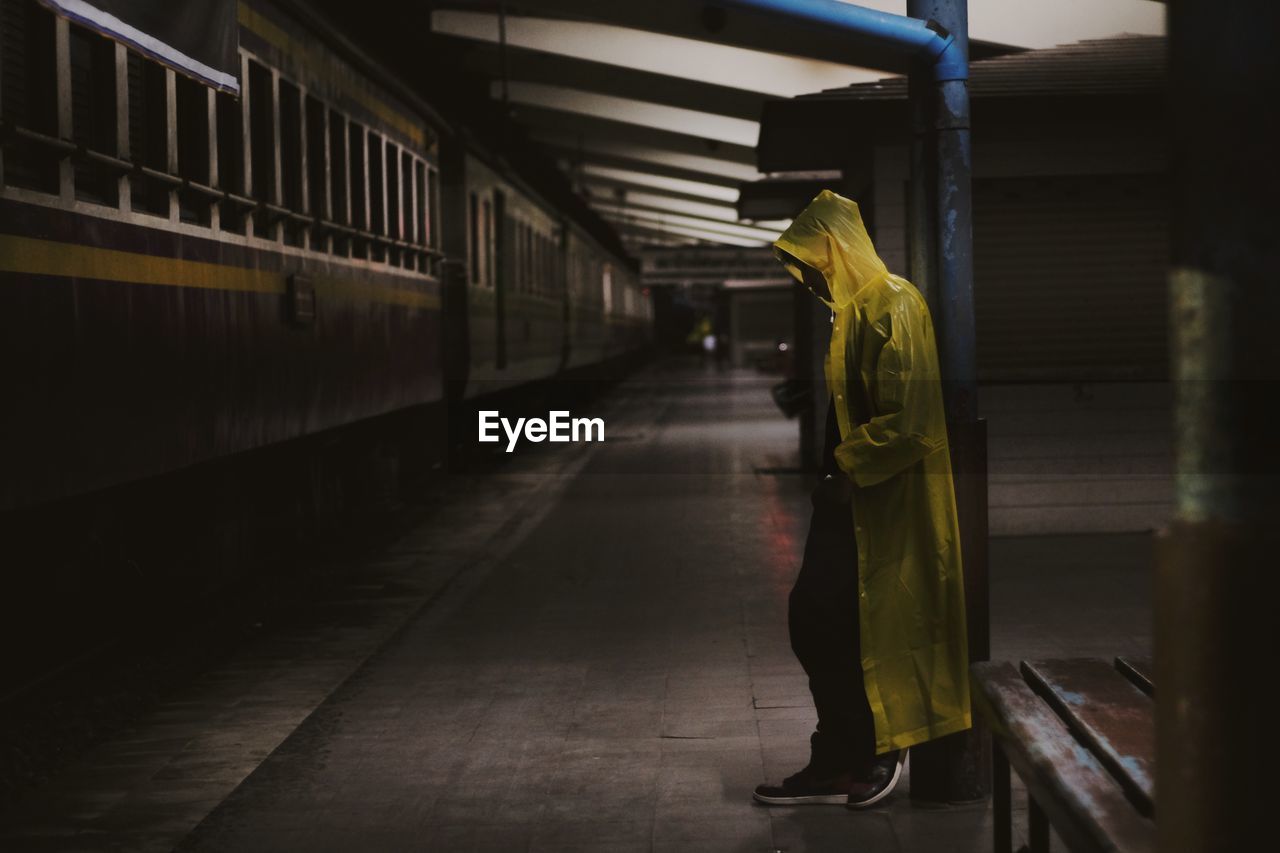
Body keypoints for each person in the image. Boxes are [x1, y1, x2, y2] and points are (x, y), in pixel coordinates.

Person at [753, 190, 970, 809]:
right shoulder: (850, 314)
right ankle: (840, 755)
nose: (813, 275)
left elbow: (915, 420)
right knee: (818, 621)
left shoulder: (893, 304)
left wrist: (848, 471)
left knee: (862, 625)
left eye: (818, 260)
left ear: (841, 249)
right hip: (847, 502)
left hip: (883, 500)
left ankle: (877, 749)